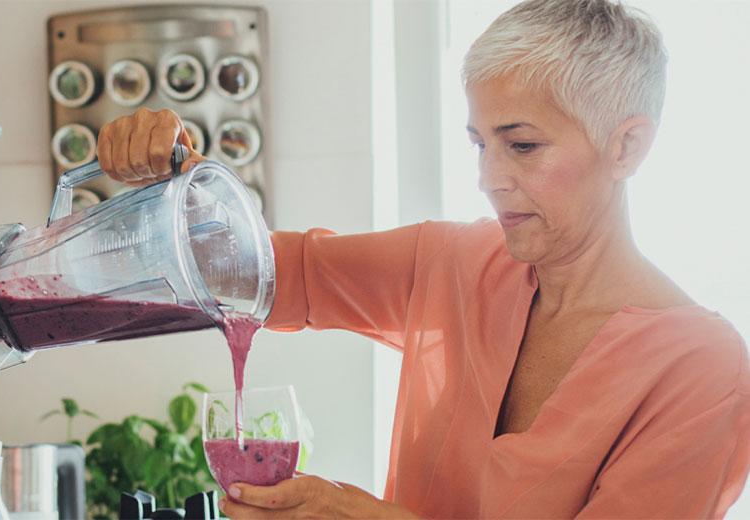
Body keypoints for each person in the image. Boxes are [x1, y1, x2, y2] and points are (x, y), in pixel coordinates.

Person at [97, 0, 750, 517]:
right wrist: (181, 183)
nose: (489, 179)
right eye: (479, 144)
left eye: (521, 146)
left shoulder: (702, 374)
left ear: (628, 146)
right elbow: (258, 274)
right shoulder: (459, 261)